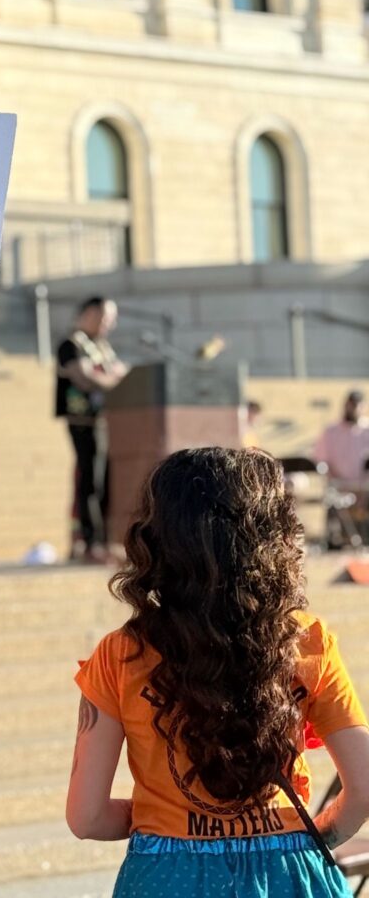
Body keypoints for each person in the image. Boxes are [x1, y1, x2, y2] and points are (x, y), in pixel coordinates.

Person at [67, 447, 369, 898]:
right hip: (287, 869)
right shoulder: (307, 640)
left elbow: (86, 817)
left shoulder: (121, 654)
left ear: (157, 540)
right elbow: (364, 788)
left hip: (165, 877)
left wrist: (158, 817)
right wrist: (315, 835)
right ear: (273, 536)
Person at [55, 297, 128, 562]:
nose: (109, 324)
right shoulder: (71, 345)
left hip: (105, 421)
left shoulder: (102, 346)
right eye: (105, 318)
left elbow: (119, 371)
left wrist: (114, 377)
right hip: (82, 421)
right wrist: (115, 381)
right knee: (90, 480)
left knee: (105, 480)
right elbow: (84, 377)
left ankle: (105, 539)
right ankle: (89, 541)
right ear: (89, 313)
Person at [313, 390, 369, 548]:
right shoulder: (331, 432)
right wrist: (333, 482)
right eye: (351, 405)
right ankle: (336, 540)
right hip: (337, 486)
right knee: (333, 501)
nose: (353, 409)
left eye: (357, 405)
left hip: (364, 487)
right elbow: (321, 460)